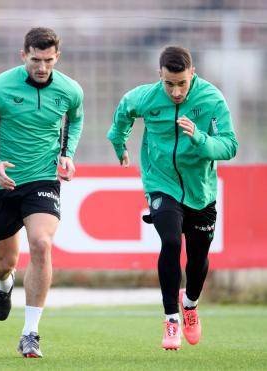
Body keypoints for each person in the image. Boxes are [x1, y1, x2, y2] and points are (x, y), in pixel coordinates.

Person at [107, 46, 238, 350]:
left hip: (200, 189)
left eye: (182, 83)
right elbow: (123, 114)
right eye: (169, 84)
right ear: (160, 76)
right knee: (170, 241)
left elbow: (229, 146)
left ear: (193, 74)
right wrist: (119, 144)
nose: (176, 92)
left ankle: (189, 305)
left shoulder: (211, 100)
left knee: (198, 258)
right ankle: (171, 319)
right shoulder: (146, 97)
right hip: (160, 182)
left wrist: (200, 138)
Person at [0, 27, 83, 358]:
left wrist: (67, 152)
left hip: (42, 179)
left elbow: (75, 118)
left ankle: (30, 333)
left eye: (48, 60)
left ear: (57, 57)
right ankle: (4, 283)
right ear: (23, 56)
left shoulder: (70, 90)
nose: (42, 67)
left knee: (42, 244)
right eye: (35, 60)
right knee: (4, 261)